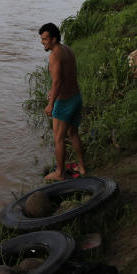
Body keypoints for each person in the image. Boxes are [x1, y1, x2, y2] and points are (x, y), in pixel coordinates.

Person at [39, 22, 87, 180]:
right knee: (73, 133)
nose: (42, 42)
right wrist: (53, 93)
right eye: (41, 39)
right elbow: (67, 77)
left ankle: (60, 173)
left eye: (45, 39)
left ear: (53, 39)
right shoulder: (67, 49)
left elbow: (57, 81)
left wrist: (51, 103)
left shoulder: (54, 55)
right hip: (76, 98)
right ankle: (82, 167)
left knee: (58, 138)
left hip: (64, 102)